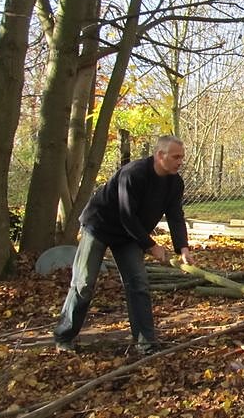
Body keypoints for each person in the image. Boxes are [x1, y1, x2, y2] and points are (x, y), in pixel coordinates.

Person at [54, 135, 195, 355]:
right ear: (160, 155)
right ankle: (64, 336)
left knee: (138, 284)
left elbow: (176, 215)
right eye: (176, 157)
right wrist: (151, 246)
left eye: (182, 157)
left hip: (129, 237)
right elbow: (126, 215)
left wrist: (183, 248)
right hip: (99, 227)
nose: (180, 161)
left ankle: (145, 343)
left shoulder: (175, 183)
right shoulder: (134, 173)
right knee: (83, 284)